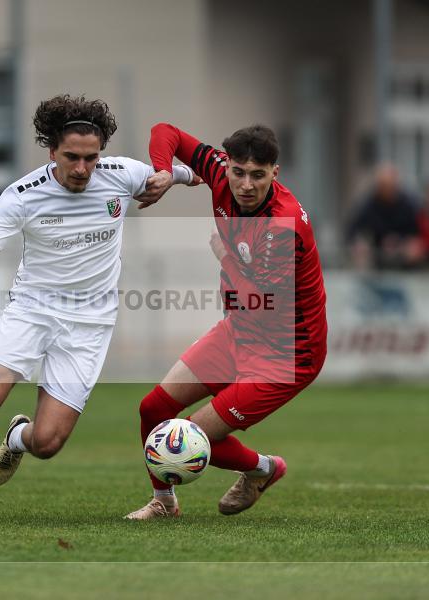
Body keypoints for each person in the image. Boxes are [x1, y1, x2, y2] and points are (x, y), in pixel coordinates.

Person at [0, 95, 198, 521]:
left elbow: (187, 172)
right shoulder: (23, 195)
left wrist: (173, 177)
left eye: (91, 157)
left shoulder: (122, 174)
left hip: (89, 324)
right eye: (72, 157)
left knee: (47, 443)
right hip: (31, 311)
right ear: (52, 152)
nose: (83, 168)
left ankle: (17, 439)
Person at [124, 123, 327, 519]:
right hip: (241, 331)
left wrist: (224, 255)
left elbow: (260, 297)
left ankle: (264, 468)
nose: (246, 185)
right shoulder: (218, 171)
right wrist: (164, 171)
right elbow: (166, 131)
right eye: (239, 172)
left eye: (258, 175)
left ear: (275, 174)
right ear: (227, 165)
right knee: (153, 409)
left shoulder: (285, 225)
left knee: (194, 437)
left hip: (288, 352)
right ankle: (164, 502)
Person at [346, 163, 421, 270]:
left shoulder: (410, 204)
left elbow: (421, 230)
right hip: (380, 264)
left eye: (390, 186)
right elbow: (352, 229)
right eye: (382, 186)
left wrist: (410, 243)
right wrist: (358, 244)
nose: (386, 190)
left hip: (408, 264)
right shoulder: (369, 204)